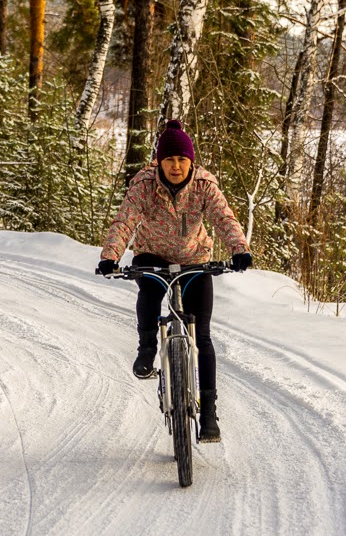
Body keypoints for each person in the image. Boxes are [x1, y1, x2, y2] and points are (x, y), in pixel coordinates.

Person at [97, 120, 252, 442]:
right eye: (170, 160)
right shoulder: (144, 184)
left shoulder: (204, 185)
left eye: (182, 160)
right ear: (160, 162)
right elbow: (125, 219)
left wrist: (239, 250)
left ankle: (208, 414)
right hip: (152, 254)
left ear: (191, 161)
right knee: (150, 291)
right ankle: (146, 348)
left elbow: (224, 218)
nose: (176, 166)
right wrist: (110, 256)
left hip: (194, 259)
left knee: (203, 335)